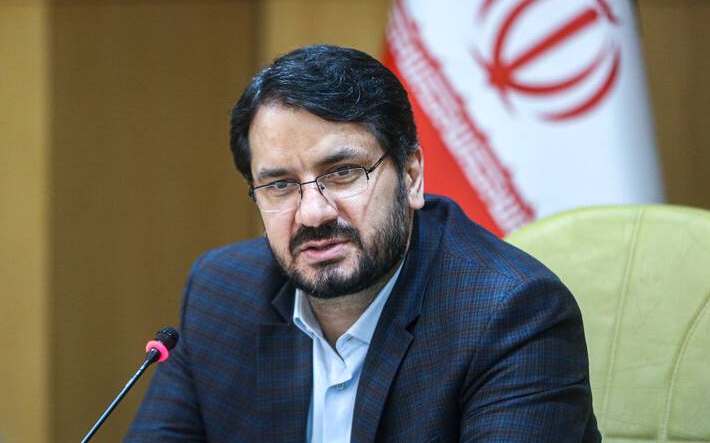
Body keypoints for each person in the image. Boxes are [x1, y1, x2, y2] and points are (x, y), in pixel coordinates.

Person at [126, 44, 600, 442]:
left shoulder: (510, 315)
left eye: (343, 173)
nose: (313, 213)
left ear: (411, 176)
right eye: (280, 185)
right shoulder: (221, 293)